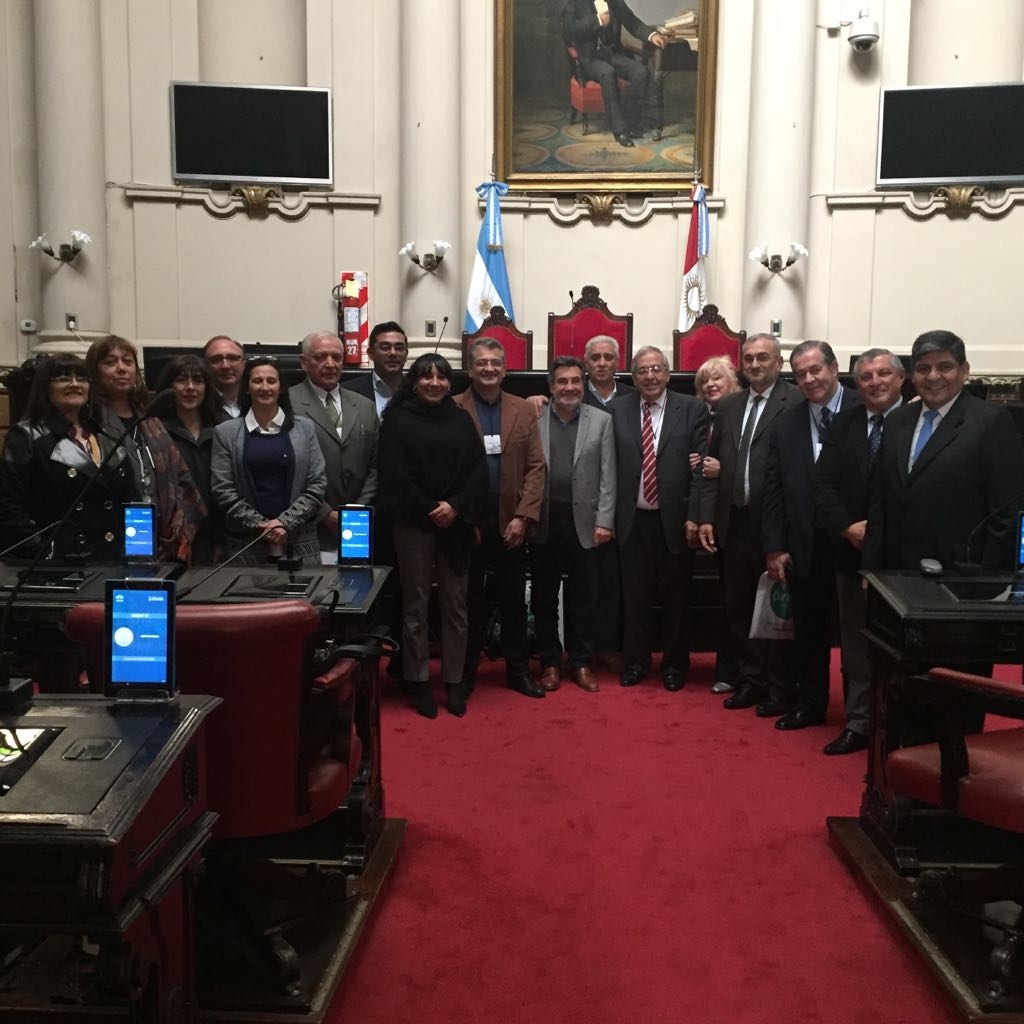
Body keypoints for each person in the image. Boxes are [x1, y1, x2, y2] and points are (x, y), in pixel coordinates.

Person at [378, 353, 487, 719]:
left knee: (456, 606)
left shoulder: (459, 419)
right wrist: (431, 507)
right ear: (415, 381)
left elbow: (476, 469)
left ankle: (454, 681)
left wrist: (454, 507)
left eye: (441, 377)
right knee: (416, 604)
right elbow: (394, 474)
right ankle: (419, 680)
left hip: (454, 524)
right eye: (426, 377)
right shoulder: (397, 418)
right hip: (413, 523)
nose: (434, 383)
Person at [761, 341, 862, 731]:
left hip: (854, 542)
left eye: (816, 369)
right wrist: (775, 546)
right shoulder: (787, 422)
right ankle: (811, 703)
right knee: (809, 632)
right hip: (804, 543)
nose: (809, 379)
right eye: (800, 373)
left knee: (856, 637)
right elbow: (774, 489)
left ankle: (859, 717)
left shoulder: (864, 409)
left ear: (835, 368)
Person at [864, 330, 1024, 572]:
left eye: (944, 366)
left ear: (964, 370)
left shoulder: (991, 422)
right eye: (923, 368)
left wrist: (987, 579)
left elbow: (1007, 511)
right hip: (895, 575)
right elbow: (879, 504)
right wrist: (871, 569)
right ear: (912, 374)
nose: (933, 376)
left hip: (960, 578)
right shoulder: (897, 421)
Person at [697, 333, 799, 711]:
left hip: (777, 525)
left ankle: (781, 685)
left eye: (763, 358)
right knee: (738, 607)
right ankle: (750, 679)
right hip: (733, 522)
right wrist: (706, 517)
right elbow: (711, 468)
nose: (755, 365)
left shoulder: (797, 401)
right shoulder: (729, 406)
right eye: (749, 359)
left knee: (779, 610)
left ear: (779, 362)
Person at [814, 348, 904, 755]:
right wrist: (847, 527)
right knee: (854, 647)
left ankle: (900, 728)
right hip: (850, 552)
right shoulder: (845, 424)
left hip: (905, 561)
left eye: (883, 373)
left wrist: (883, 533)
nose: (875, 382)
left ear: (901, 378)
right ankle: (859, 723)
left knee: (902, 648)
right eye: (866, 376)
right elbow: (823, 486)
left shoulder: (918, 422)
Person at [454, 337, 547, 699]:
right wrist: (465, 520)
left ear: (505, 369)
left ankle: (517, 670)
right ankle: (464, 673)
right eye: (481, 363)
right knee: (468, 602)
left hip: (511, 523)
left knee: (512, 600)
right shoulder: (453, 407)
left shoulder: (523, 409)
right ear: (469, 369)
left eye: (495, 362)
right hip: (470, 526)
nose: (489, 368)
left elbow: (536, 467)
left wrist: (524, 517)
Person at [610, 345, 707, 689]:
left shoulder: (692, 409)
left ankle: (674, 667)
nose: (649, 376)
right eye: (642, 371)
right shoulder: (617, 409)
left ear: (667, 373)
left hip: (676, 521)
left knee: (676, 601)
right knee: (633, 600)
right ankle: (635, 663)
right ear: (633, 378)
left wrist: (695, 515)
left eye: (656, 369)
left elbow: (700, 469)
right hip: (632, 521)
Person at [529, 356, 616, 693]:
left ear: (583, 384)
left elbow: (608, 476)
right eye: (561, 381)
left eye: (575, 381)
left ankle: (581, 662)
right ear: (550, 386)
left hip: (587, 523)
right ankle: (550, 663)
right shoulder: (533, 415)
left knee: (585, 598)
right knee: (544, 598)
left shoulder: (601, 421)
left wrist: (605, 521)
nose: (569, 387)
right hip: (544, 521)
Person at [0, 354, 136, 561]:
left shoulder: (106, 435)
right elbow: (10, 507)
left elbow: (130, 500)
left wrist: (136, 551)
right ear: (45, 387)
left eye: (81, 378)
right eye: (63, 378)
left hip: (110, 558)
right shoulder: (27, 435)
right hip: (58, 563)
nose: (74, 384)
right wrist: (42, 551)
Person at [86, 336, 205, 562]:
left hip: (162, 539)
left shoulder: (150, 419)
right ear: (95, 372)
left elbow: (182, 481)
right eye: (110, 362)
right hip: (110, 541)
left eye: (127, 362)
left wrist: (177, 529)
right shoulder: (90, 422)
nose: (121, 369)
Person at [211, 355, 326, 566]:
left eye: (271, 381)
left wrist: (284, 523)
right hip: (246, 547)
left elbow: (316, 484)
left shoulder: (305, 428)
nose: (265, 387)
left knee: (303, 599)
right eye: (257, 381)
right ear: (247, 387)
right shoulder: (225, 432)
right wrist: (263, 526)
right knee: (251, 600)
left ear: (281, 387)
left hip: (299, 543)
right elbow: (222, 490)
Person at [288, 330, 378, 557]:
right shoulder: (287, 403)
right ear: (304, 362)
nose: (330, 364)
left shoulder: (364, 405)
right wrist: (325, 513)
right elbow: (288, 469)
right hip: (307, 526)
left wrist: (357, 510)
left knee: (357, 589)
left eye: (336, 357)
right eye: (320, 357)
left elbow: (376, 465)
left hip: (358, 522)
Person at [686, 354, 740, 693]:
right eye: (705, 380)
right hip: (708, 519)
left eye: (718, 377)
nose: (711, 384)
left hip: (739, 520)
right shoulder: (700, 419)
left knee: (740, 599)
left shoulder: (740, 414)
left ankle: (741, 670)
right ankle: (728, 668)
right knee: (727, 599)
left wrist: (724, 471)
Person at [153, 354, 226, 563]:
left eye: (198, 381)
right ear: (169, 386)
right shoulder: (155, 431)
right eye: (181, 380)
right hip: (174, 535)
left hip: (219, 532)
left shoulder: (223, 427)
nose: (190, 387)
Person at [563, 0, 667, 147]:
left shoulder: (616, 2)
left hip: (612, 55)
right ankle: (620, 130)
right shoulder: (576, 3)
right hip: (589, 58)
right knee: (607, 72)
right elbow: (569, 31)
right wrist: (598, 20)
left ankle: (631, 121)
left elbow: (633, 23)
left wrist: (652, 35)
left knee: (641, 72)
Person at [342, 320, 409, 419]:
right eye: (385, 347)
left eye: (399, 348)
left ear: (406, 354)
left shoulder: (417, 391)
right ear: (370, 354)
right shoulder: (347, 391)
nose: (393, 353)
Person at [582, 335, 635, 409]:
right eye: (595, 358)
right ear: (586, 363)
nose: (602, 364)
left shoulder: (633, 396)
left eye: (608, 357)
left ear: (617, 362)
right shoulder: (576, 395)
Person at [203, 335, 245, 418]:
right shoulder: (196, 407)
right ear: (205, 366)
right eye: (216, 359)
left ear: (244, 363)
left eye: (232, 358)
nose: (225, 366)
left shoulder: (257, 402)